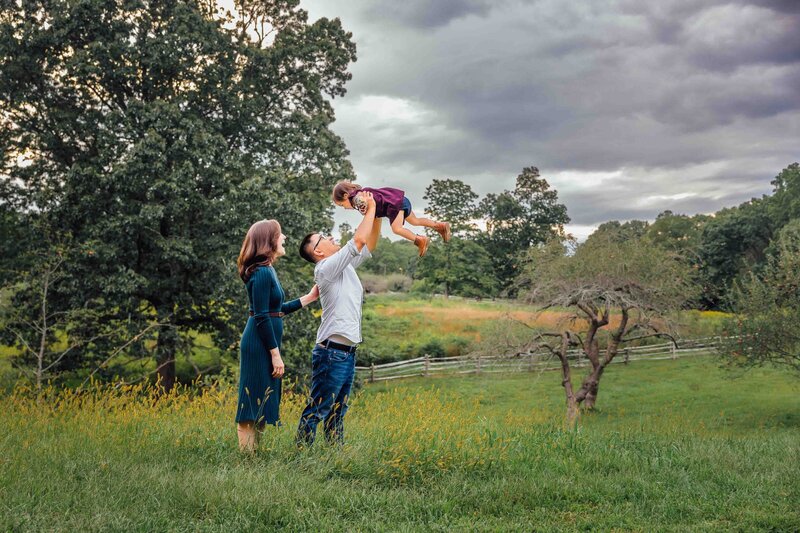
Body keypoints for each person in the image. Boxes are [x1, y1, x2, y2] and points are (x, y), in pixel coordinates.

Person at [296, 192, 382, 446]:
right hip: (331, 352)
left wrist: (377, 212)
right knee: (319, 408)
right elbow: (357, 240)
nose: (330, 237)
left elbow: (369, 243)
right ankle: (301, 456)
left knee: (338, 410)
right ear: (318, 251)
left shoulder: (345, 266)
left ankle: (334, 456)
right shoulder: (324, 268)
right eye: (323, 238)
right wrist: (370, 208)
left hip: (347, 351)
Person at [235, 219, 319, 453]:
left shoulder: (268, 270)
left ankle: (254, 457)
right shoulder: (261, 273)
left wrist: (309, 298)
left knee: (262, 401)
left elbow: (276, 308)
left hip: (265, 342)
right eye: (280, 234)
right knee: (251, 405)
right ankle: (246, 460)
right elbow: (261, 316)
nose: (284, 238)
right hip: (258, 344)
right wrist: (275, 354)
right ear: (268, 240)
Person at [332, 181, 450, 257]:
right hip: (401, 200)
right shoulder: (359, 195)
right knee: (415, 221)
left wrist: (363, 203)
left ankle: (420, 240)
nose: (345, 208)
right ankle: (440, 226)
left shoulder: (355, 197)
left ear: (345, 196)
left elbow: (361, 199)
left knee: (396, 229)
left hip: (395, 204)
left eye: (342, 205)